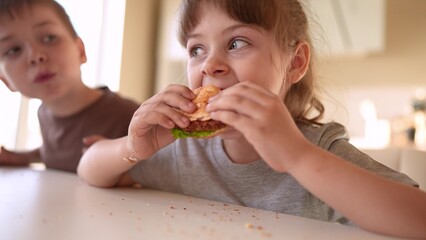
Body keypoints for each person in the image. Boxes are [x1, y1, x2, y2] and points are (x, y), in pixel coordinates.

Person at [77, 0, 426, 238]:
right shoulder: (187, 151)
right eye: (197, 49)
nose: (210, 65)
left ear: (295, 63)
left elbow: (418, 218)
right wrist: (134, 146)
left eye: (237, 42)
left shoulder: (317, 151)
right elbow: (89, 169)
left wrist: (297, 156)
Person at [0, 0, 139, 172]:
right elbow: (59, 153)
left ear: (80, 51)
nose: (35, 56)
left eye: (49, 38)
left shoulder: (130, 117)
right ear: (5, 80)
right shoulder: (44, 113)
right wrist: (23, 157)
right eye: (13, 50)